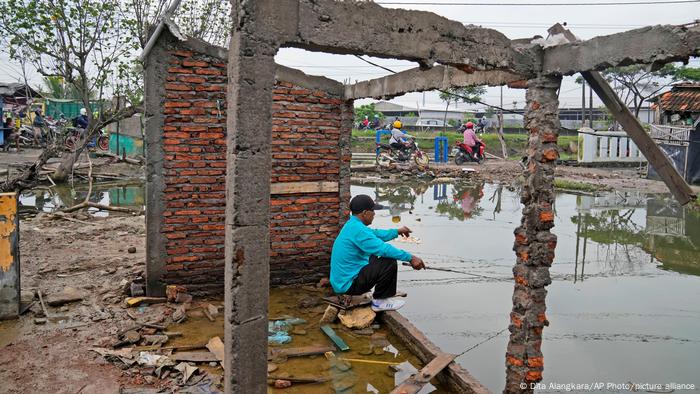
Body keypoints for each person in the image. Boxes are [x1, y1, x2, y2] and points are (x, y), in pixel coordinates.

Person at [330, 194, 425, 312]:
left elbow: (376, 234)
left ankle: (382, 296)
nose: (374, 214)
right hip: (348, 285)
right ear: (365, 213)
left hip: (341, 282)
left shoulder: (352, 225)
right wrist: (411, 258)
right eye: (373, 211)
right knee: (388, 261)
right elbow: (383, 249)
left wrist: (397, 231)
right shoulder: (358, 230)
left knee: (376, 256)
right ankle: (380, 301)